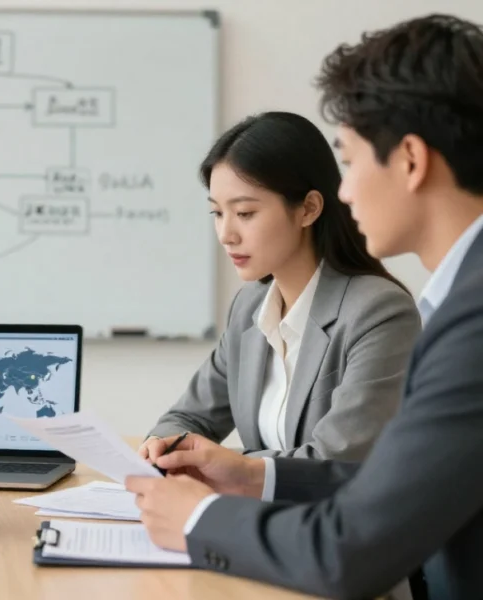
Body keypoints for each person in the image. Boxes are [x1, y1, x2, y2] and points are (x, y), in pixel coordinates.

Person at [126, 14, 483, 600]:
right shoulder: (454, 303)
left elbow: (355, 529)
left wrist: (197, 519)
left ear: (411, 160)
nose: (346, 190)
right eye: (217, 213)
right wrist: (237, 471)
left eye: (351, 159)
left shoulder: (455, 320)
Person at [140, 111, 420, 461]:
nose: (226, 234)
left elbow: (337, 458)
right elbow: (188, 418)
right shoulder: (250, 308)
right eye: (217, 213)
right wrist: (162, 445)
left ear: (308, 209)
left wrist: (227, 466)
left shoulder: (379, 312)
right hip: (260, 511)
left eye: (244, 213)